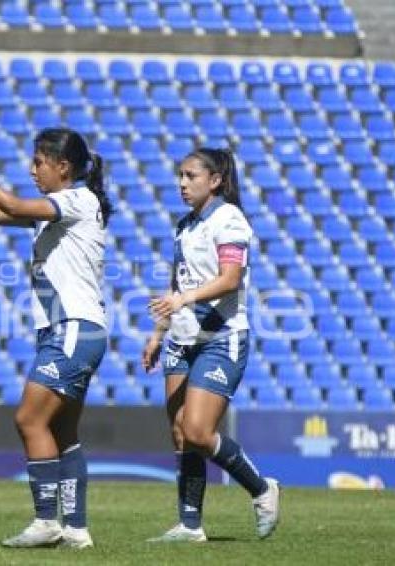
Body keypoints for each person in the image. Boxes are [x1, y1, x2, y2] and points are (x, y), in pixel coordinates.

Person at [0, 127, 111, 549]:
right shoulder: (64, 207)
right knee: (63, 433)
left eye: (39, 162)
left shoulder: (78, 198)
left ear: (64, 167)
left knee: (28, 419)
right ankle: (76, 528)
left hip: (72, 329)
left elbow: (13, 203)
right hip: (72, 330)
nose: (32, 169)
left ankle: (46, 522)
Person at [142, 148, 280, 543]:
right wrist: (158, 333)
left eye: (190, 176)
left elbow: (230, 279)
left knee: (199, 432)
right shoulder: (184, 225)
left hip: (220, 339)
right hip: (181, 341)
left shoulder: (229, 219)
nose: (182, 184)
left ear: (215, 180)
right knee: (181, 434)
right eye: (180, 176)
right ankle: (189, 525)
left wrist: (185, 300)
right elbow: (176, 284)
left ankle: (261, 488)